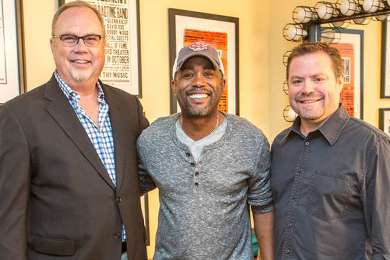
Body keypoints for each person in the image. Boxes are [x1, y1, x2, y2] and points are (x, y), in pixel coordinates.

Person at [0, 2, 149, 259]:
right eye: (69, 38)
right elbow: (9, 217)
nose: (81, 48)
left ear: (103, 45)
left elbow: (144, 172)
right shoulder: (18, 116)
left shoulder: (128, 106)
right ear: (53, 45)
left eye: (91, 38)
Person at [137, 42, 274, 260]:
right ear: (174, 85)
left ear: (222, 83)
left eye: (208, 73)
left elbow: (262, 205)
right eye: (188, 74)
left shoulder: (251, 139)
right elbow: (127, 192)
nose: (198, 82)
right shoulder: (152, 138)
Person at [271, 42, 390, 260]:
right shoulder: (280, 145)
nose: (307, 89)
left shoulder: (372, 146)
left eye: (318, 79)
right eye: (297, 81)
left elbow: (387, 246)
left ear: (339, 82)